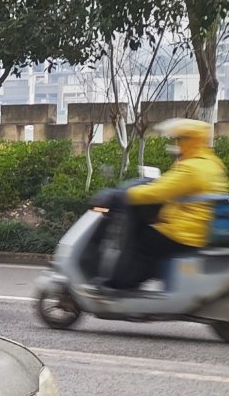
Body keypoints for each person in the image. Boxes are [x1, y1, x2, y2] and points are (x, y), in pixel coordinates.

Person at [96, 118, 228, 290]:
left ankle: (122, 284)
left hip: (182, 233)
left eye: (179, 139)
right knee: (149, 235)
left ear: (190, 140)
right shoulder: (211, 163)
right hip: (197, 231)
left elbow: (159, 192)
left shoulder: (192, 168)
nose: (177, 143)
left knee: (143, 241)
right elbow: (171, 185)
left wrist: (125, 195)